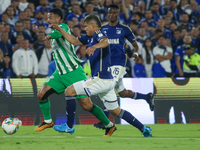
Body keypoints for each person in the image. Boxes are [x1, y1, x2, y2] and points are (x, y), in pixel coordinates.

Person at [51, 13, 152, 137]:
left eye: (86, 26)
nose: (85, 29)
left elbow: (106, 41)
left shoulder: (99, 34)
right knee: (116, 111)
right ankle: (144, 129)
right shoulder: (89, 38)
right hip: (107, 82)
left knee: (69, 91)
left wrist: (94, 46)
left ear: (93, 26)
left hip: (101, 78)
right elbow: (73, 40)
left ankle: (69, 126)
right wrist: (60, 29)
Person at [34, 8, 116, 137]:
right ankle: (48, 121)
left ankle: (109, 125)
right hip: (60, 73)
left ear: (58, 19)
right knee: (41, 94)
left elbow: (59, 34)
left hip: (74, 72)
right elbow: (72, 39)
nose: (48, 19)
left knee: (87, 105)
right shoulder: (56, 30)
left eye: (51, 17)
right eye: (47, 17)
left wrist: (51, 35)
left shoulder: (63, 27)